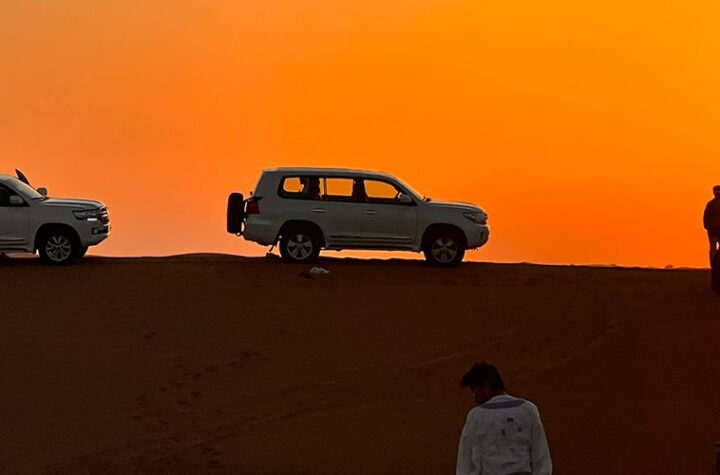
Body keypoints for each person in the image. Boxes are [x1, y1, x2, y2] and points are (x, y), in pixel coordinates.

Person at [456, 362, 552, 475]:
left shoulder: (476, 415)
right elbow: (541, 457)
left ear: (486, 386)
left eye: (475, 392)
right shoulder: (528, 409)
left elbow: (465, 462)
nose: (475, 398)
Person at [704, 185, 720, 267]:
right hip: (713, 229)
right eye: (716, 191)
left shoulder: (710, 204)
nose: (717, 192)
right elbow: (706, 216)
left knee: (713, 248)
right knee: (713, 248)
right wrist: (707, 226)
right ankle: (713, 265)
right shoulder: (710, 204)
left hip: (714, 229)